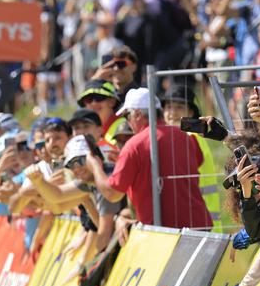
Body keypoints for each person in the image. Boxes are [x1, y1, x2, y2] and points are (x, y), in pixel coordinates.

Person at [86, 88, 212, 229]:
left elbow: (112, 193)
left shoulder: (134, 145)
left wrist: (95, 166)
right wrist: (129, 163)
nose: (128, 122)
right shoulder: (186, 137)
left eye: (127, 116)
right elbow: (189, 163)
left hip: (162, 231)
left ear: (137, 114)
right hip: (198, 226)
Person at [161, 84, 221, 228]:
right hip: (200, 221)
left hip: (198, 224)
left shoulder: (189, 138)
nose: (172, 113)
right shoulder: (188, 136)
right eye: (168, 107)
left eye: (180, 107)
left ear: (192, 112)